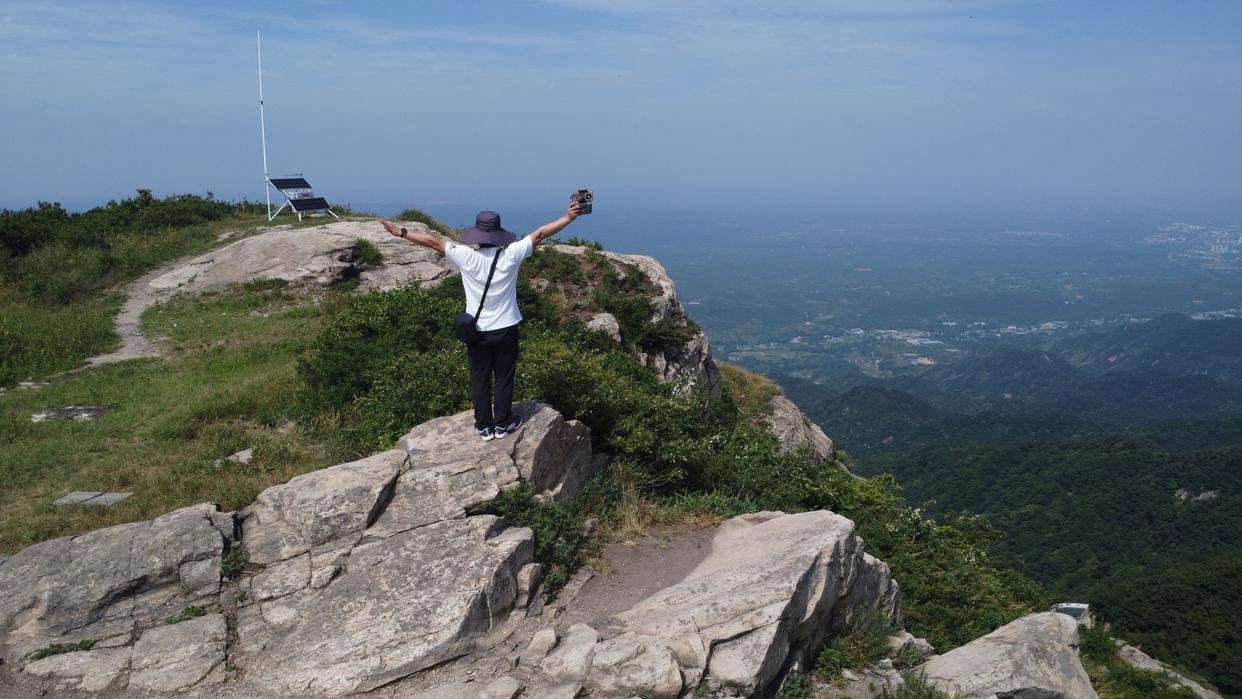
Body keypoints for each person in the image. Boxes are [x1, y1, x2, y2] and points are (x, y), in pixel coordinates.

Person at [380, 202, 581, 440]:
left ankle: (484, 426)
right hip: (506, 328)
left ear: (476, 233)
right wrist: (569, 217)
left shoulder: (465, 256)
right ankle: (502, 423)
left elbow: (433, 241)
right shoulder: (512, 254)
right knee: (504, 378)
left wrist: (400, 232)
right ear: (499, 233)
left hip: (477, 331)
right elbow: (540, 234)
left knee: (480, 378)